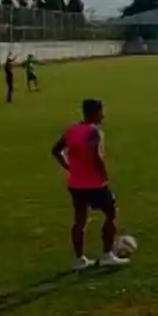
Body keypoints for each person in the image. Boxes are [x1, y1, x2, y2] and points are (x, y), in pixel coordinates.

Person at [51, 99, 128, 271]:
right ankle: (107, 255)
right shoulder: (94, 132)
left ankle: (79, 260)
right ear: (94, 113)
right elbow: (96, 156)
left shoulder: (71, 130)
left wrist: (69, 167)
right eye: (101, 112)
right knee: (112, 213)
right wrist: (104, 174)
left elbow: (56, 150)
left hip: (75, 183)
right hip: (94, 183)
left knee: (80, 220)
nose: (103, 115)